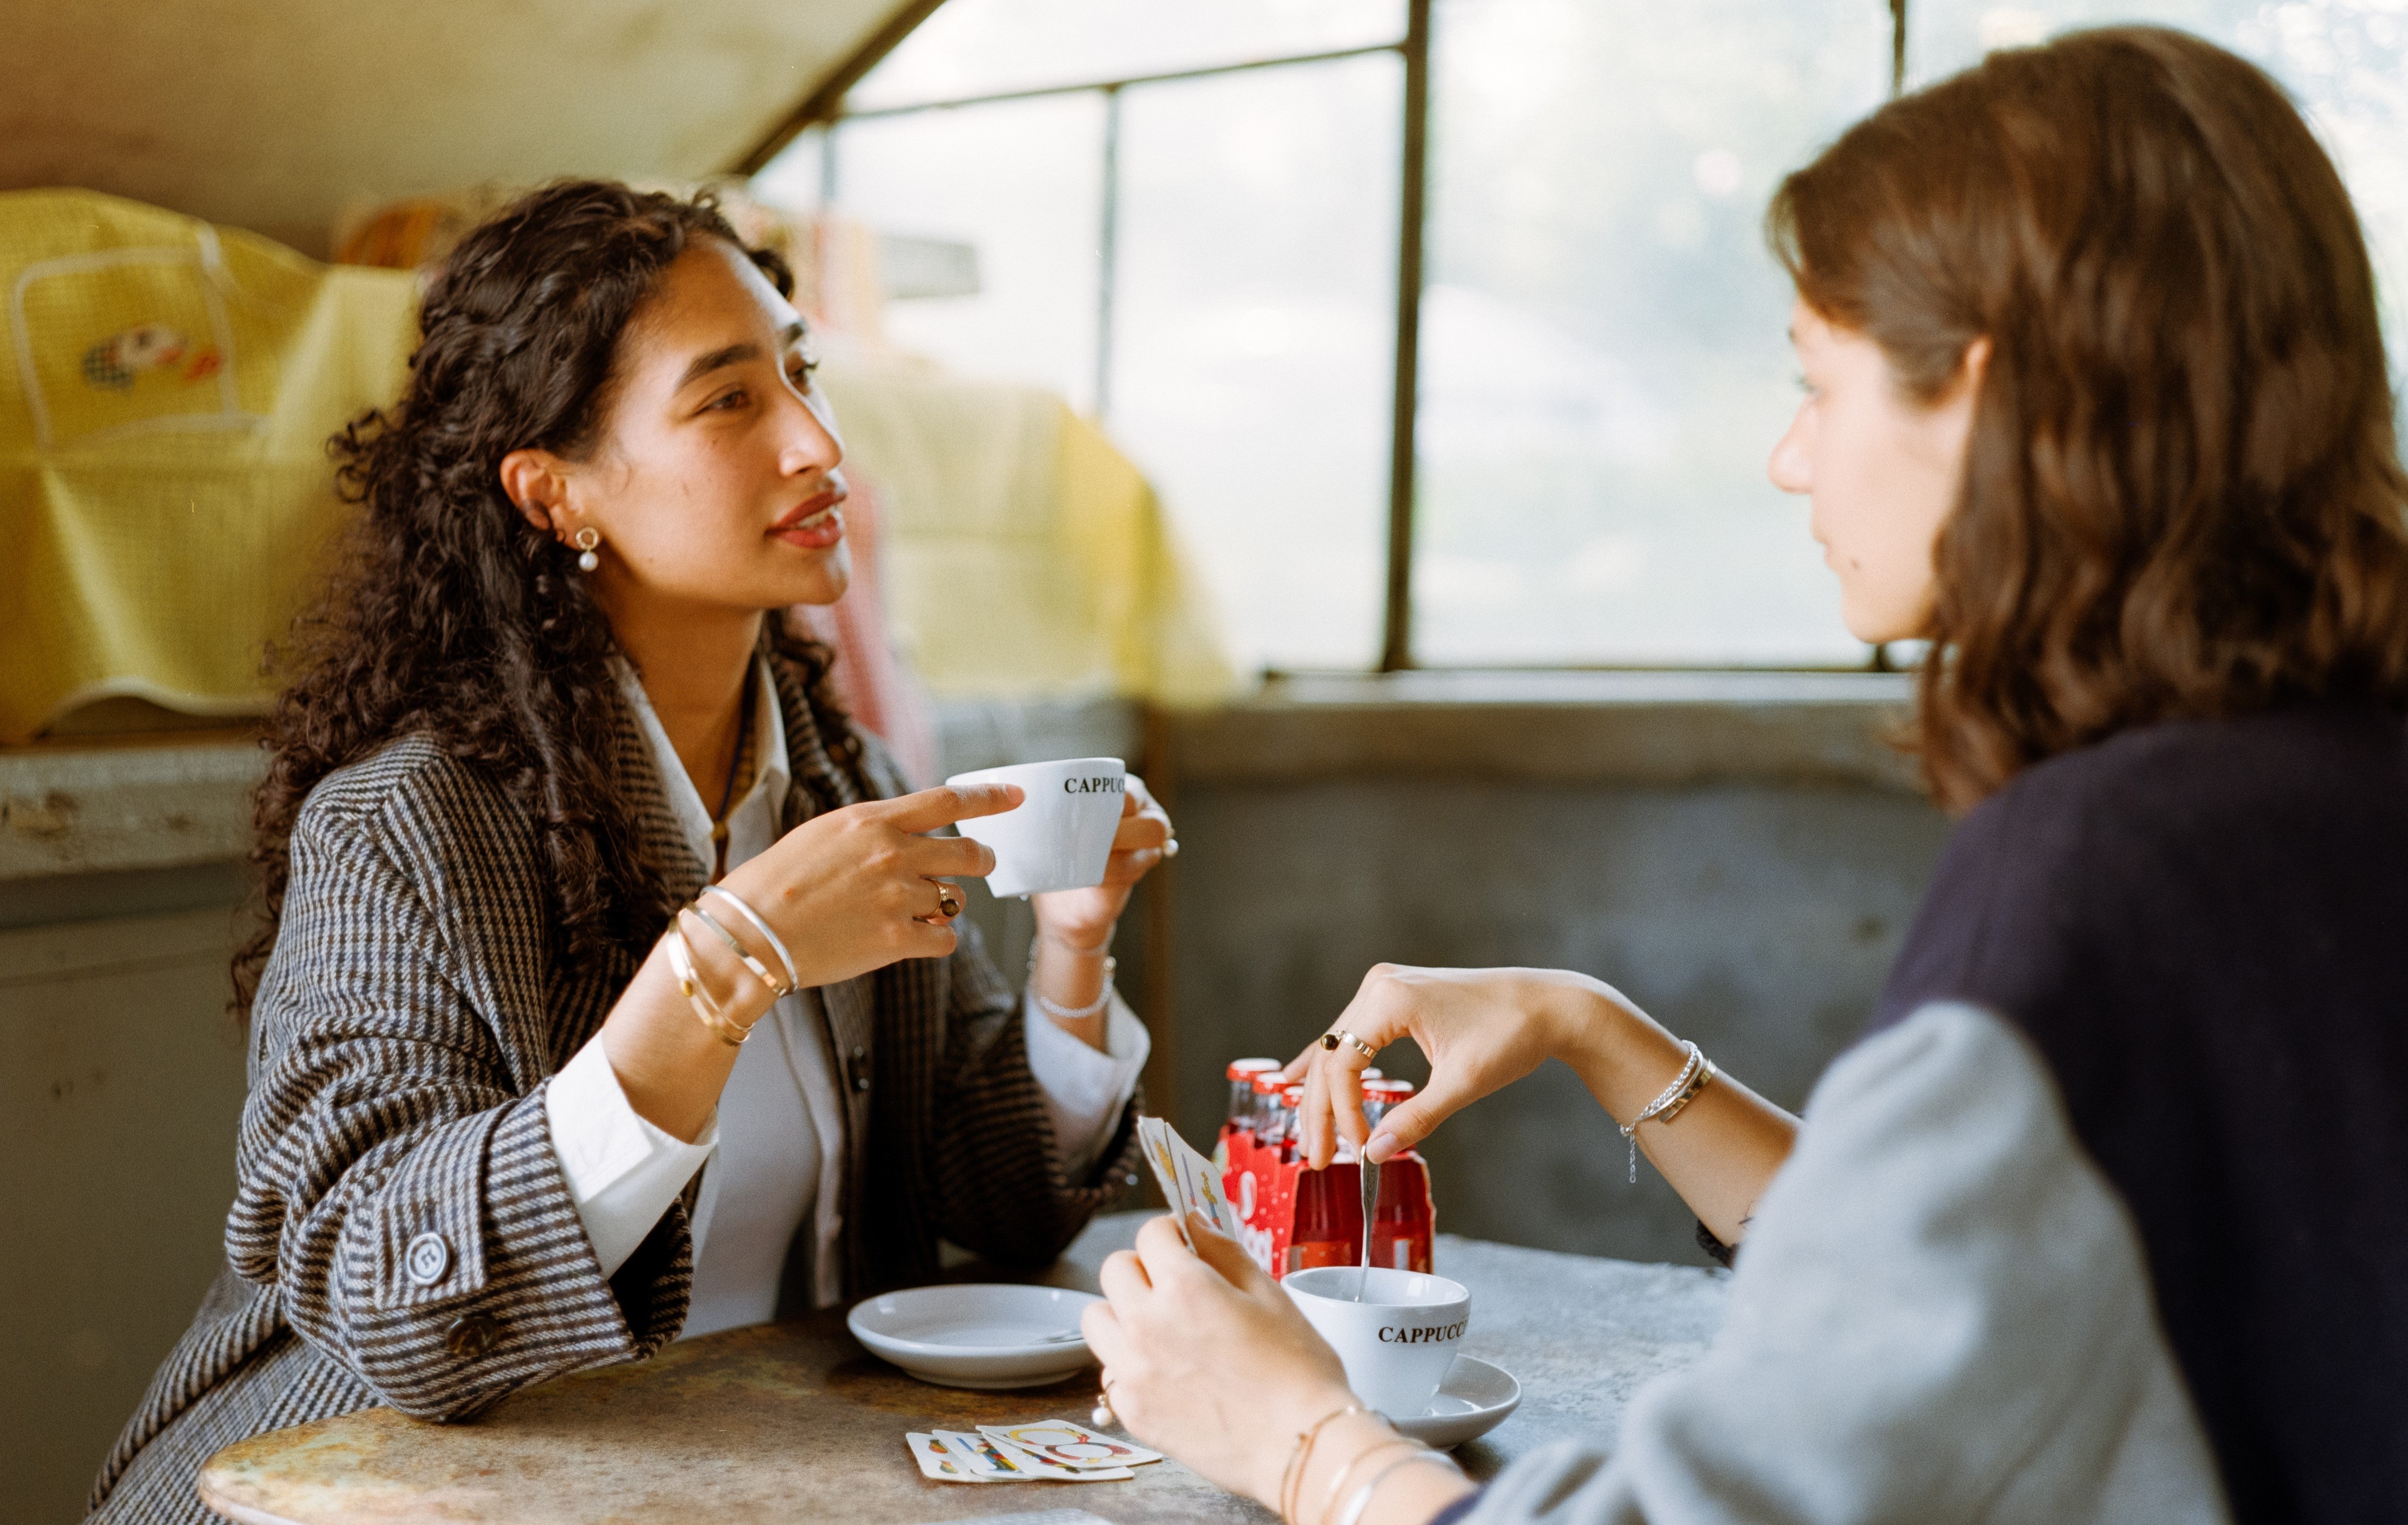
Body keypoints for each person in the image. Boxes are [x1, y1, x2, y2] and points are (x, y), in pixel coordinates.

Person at [1082, 26, 2408, 1525]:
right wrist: (1591, 1027)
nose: (1790, 460)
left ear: (1984, 391)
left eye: (1819, 384)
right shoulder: (2325, 796)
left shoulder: (2100, 883)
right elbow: (1968, 1296)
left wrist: (1298, 1436)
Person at [88, 182, 1173, 1524]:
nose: (818, 441)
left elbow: (1000, 1197)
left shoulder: (843, 782)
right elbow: (383, 1287)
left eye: (804, 374)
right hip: (354, 1493)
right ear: (555, 493)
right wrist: (722, 966)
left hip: (725, 1488)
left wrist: (1073, 943)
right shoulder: (405, 826)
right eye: (730, 400)